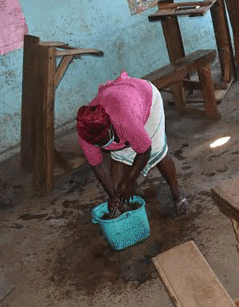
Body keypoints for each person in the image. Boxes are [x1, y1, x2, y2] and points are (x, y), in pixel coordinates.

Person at [76, 72, 188, 216]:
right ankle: (120, 204)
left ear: (110, 125)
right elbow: (97, 166)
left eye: (104, 141)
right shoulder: (86, 132)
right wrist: (112, 196)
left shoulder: (125, 120)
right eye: (99, 144)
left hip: (146, 99)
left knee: (157, 151)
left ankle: (178, 194)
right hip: (120, 100)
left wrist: (129, 181)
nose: (104, 147)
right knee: (120, 157)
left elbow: (145, 150)